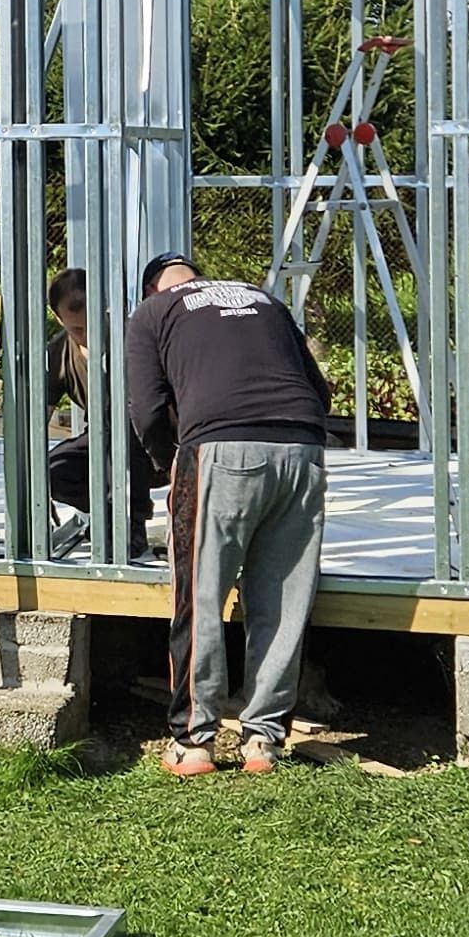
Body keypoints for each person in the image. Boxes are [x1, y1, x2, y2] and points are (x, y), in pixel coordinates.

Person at [125, 253, 331, 775]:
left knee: (200, 591)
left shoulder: (152, 314)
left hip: (221, 449)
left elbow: (147, 408)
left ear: (153, 289)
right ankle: (263, 741)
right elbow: (320, 391)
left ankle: (195, 742)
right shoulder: (264, 299)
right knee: (283, 599)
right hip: (302, 448)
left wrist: (165, 461)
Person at [43, 266, 153, 559]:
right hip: (101, 438)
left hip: (149, 441)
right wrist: (34, 489)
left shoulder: (133, 338)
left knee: (127, 432)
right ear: (58, 318)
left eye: (92, 324)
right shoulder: (58, 352)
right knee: (53, 469)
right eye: (77, 329)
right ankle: (108, 516)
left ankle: (134, 525)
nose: (86, 335)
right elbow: (37, 422)